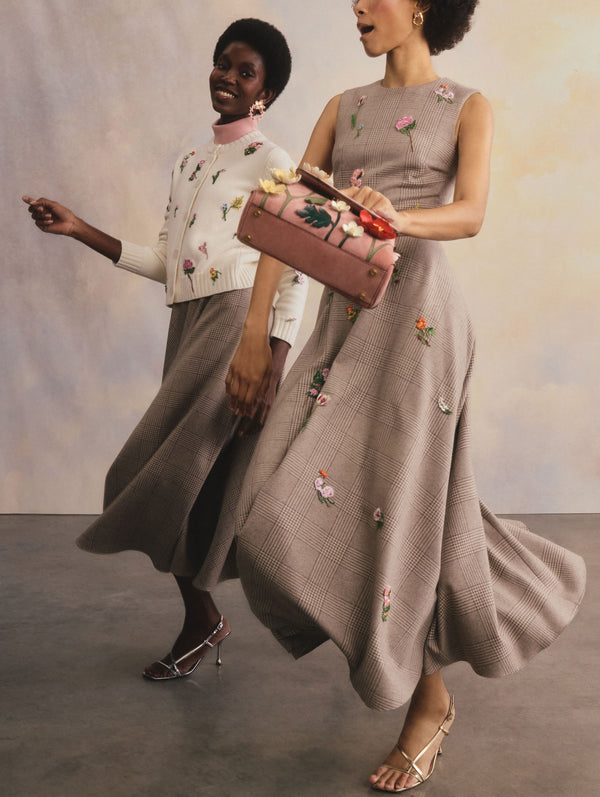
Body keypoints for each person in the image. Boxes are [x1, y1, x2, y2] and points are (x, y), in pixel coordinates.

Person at [225, 1, 586, 792]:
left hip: (421, 323)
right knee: (270, 516)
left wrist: (397, 217)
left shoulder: (467, 106)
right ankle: (426, 661)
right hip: (345, 320)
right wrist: (256, 332)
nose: (358, 5)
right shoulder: (341, 107)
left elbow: (473, 213)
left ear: (423, 5)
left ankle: (424, 704)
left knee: (402, 504)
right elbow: (286, 213)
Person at [23, 18, 308, 681]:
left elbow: (293, 264)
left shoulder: (274, 161)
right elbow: (170, 262)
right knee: (189, 485)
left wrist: (274, 357)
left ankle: (233, 612)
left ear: (266, 92)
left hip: (238, 320)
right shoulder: (189, 162)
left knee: (148, 473)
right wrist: (80, 230)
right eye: (222, 64)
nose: (228, 77)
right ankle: (203, 617)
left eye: (247, 72)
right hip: (189, 321)